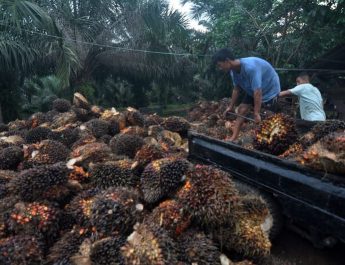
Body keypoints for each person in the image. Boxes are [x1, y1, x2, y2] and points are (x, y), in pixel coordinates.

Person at [213, 48, 281, 142]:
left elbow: (258, 91)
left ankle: (269, 142)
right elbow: (236, 89)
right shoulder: (233, 72)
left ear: (227, 60)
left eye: (220, 65)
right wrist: (230, 107)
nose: (220, 68)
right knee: (242, 110)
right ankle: (233, 138)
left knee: (268, 118)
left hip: (269, 89)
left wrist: (256, 113)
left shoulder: (250, 67)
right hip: (253, 89)